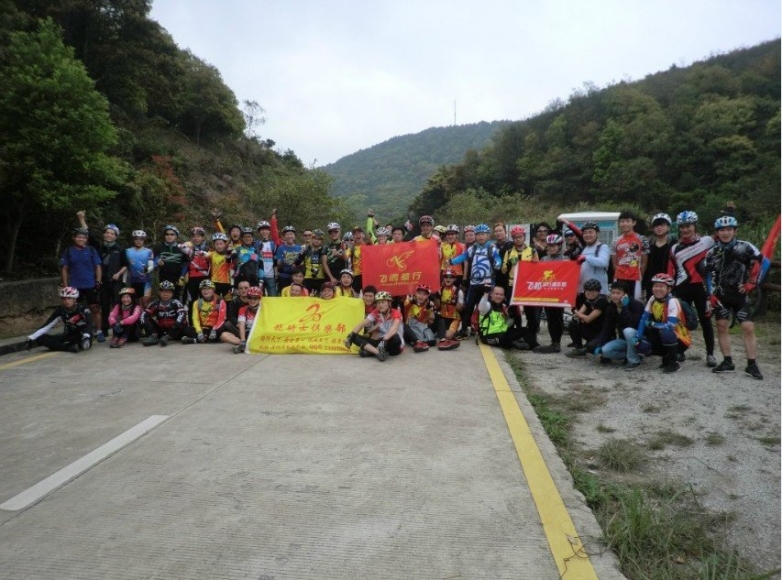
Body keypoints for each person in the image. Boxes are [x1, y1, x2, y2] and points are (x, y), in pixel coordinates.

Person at [705, 215, 770, 380]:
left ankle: (752, 364)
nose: (725, 233)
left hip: (740, 294)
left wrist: (752, 283)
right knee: (721, 326)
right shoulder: (712, 252)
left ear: (735, 231)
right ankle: (727, 361)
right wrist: (710, 294)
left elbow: (765, 262)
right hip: (721, 296)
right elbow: (707, 274)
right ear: (717, 232)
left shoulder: (746, 247)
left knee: (748, 327)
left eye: (729, 230)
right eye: (722, 230)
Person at [668, 211, 717, 367]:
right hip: (682, 287)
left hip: (702, 287)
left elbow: (724, 240)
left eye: (688, 226)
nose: (685, 230)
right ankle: (680, 350)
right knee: (681, 321)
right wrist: (670, 288)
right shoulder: (675, 248)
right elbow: (671, 270)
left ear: (695, 226)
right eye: (682, 227)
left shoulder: (707, 241)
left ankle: (710, 354)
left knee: (706, 320)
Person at [77, 211, 128, 334]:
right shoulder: (99, 247)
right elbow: (88, 234)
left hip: (116, 282)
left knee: (116, 305)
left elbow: (126, 265)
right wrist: (81, 219)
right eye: (107, 233)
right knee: (104, 306)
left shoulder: (120, 249)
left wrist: (119, 274)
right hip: (103, 282)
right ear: (104, 234)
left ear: (116, 236)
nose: (109, 235)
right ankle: (104, 329)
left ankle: (117, 328)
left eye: (112, 234)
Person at [449, 224, 501, 340]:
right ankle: (464, 330)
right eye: (478, 234)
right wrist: (452, 262)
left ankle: (484, 330)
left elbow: (497, 257)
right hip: (474, 283)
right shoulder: (473, 248)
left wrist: (498, 263)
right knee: (468, 306)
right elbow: (463, 256)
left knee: (484, 307)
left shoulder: (491, 247)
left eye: (483, 234)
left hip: (487, 282)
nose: (480, 237)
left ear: (488, 235)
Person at [635, 274, 691, 374]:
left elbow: (670, 326)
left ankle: (674, 362)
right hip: (663, 334)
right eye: (655, 286)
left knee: (666, 332)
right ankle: (666, 357)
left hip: (680, 338)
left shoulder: (673, 301)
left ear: (669, 289)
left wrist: (652, 324)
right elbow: (643, 320)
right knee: (641, 345)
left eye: (661, 286)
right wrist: (638, 337)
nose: (657, 289)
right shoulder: (652, 299)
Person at [60, 228, 103, 341]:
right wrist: (65, 285)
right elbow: (64, 268)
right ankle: (77, 330)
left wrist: (98, 281)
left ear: (86, 239)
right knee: (75, 309)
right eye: (78, 237)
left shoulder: (91, 250)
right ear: (74, 238)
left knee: (94, 308)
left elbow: (98, 266)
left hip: (90, 284)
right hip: (75, 286)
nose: (81, 239)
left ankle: (98, 331)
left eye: (83, 237)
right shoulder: (69, 251)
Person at [591, 281, 645, 369]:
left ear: (625, 294)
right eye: (613, 293)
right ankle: (634, 355)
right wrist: (599, 345)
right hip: (623, 339)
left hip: (638, 338)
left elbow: (633, 324)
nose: (615, 296)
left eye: (618, 293)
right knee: (605, 351)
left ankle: (634, 361)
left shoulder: (636, 305)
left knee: (628, 331)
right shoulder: (611, 308)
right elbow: (606, 328)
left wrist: (625, 308)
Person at [27, 287, 93, 353]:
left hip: (82, 335)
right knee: (40, 338)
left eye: (69, 298)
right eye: (64, 299)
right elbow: (47, 325)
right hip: (69, 335)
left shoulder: (83, 309)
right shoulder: (61, 310)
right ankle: (68, 348)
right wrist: (31, 337)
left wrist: (86, 336)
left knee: (83, 344)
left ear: (74, 299)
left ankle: (67, 346)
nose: (66, 301)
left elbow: (89, 324)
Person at [344, 291, 404, 361]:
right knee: (354, 337)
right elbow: (362, 323)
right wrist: (351, 335)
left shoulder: (396, 312)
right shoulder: (376, 312)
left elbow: (394, 328)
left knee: (395, 337)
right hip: (380, 342)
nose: (380, 305)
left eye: (383, 302)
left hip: (393, 344)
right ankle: (377, 352)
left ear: (389, 303)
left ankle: (371, 351)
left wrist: (384, 341)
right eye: (378, 303)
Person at [533, 234, 567, 354]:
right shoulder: (544, 259)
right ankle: (553, 341)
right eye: (550, 246)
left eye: (555, 246)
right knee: (549, 317)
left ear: (559, 246)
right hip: (546, 293)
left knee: (557, 318)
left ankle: (557, 342)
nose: (552, 248)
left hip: (559, 294)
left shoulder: (565, 259)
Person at [610, 211, 649, 300]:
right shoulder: (615, 241)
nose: (625, 224)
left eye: (628, 221)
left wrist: (639, 276)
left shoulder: (642, 239)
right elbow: (614, 263)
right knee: (618, 303)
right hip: (619, 277)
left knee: (635, 303)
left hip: (635, 277)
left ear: (634, 223)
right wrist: (621, 273)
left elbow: (644, 263)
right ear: (619, 223)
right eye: (622, 221)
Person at [565, 278, 609, 356]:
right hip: (592, 329)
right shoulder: (588, 300)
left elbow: (588, 319)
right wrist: (577, 313)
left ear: (598, 291)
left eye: (593, 291)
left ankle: (589, 347)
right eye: (588, 290)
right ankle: (578, 346)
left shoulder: (602, 301)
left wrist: (575, 310)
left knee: (591, 347)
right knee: (573, 323)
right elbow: (577, 316)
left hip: (602, 332)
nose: (590, 293)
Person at [476, 285, 526, 349]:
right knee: (505, 339)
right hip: (488, 337)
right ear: (491, 294)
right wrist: (486, 293)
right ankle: (513, 343)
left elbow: (507, 324)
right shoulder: (487, 306)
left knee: (524, 330)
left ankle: (535, 346)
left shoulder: (504, 307)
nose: (499, 296)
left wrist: (510, 317)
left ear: (504, 296)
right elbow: (481, 307)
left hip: (502, 333)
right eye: (496, 294)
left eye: (501, 294)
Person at [140, 280, 188, 346]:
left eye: (168, 291)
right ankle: (154, 336)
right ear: (159, 292)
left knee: (182, 321)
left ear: (172, 293)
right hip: (161, 329)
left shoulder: (176, 303)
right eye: (163, 291)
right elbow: (143, 315)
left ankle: (168, 337)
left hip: (174, 330)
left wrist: (174, 327)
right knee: (144, 318)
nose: (165, 294)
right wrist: (151, 330)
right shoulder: (155, 303)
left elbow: (182, 314)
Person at [182, 279, 228, 344]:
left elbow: (222, 318)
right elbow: (195, 318)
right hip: (203, 328)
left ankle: (195, 340)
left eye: (208, 289)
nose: (205, 291)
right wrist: (199, 332)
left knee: (223, 330)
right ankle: (207, 338)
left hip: (215, 328)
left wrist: (214, 329)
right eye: (203, 289)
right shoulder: (197, 303)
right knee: (187, 330)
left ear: (213, 290)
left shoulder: (220, 302)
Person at [643, 213, 676, 300]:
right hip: (652, 283)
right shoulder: (648, 245)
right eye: (656, 225)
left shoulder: (674, 245)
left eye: (662, 225)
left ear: (668, 227)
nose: (659, 227)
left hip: (669, 283)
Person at [153, 225, 189, 302]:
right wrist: (157, 263)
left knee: (176, 299)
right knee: (163, 298)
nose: (169, 236)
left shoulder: (181, 248)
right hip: (163, 277)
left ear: (176, 236)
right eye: (167, 234)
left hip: (177, 278)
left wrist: (182, 276)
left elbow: (185, 264)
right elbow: (153, 261)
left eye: (172, 234)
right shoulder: (159, 247)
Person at [573, 222, 610, 293]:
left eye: (590, 232)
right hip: (582, 290)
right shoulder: (584, 249)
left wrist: (586, 257)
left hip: (598, 291)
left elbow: (603, 262)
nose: (587, 235)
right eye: (585, 233)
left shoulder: (602, 247)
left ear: (597, 233)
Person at [433, 269, 463, 350]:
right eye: (446, 277)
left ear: (454, 279)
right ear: (443, 278)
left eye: (451, 277)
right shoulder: (440, 289)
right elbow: (438, 305)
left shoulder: (458, 291)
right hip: (443, 317)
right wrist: (436, 296)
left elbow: (461, 309)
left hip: (454, 318)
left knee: (448, 336)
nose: (448, 279)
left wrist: (455, 301)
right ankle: (442, 335)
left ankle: (450, 334)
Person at [182, 226, 211, 306]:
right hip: (191, 278)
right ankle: (192, 318)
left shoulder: (208, 248)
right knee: (192, 301)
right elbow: (184, 262)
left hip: (204, 277)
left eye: (198, 236)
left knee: (205, 300)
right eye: (194, 236)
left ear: (202, 237)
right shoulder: (187, 248)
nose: (196, 238)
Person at [403, 284, 437, 352]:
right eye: (419, 293)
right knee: (404, 323)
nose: (421, 296)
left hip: (422, 329)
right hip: (410, 330)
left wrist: (430, 308)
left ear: (427, 296)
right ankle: (419, 341)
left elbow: (432, 319)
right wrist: (411, 300)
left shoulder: (427, 305)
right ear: (415, 294)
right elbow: (406, 303)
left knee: (439, 318)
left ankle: (440, 340)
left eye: (424, 294)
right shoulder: (410, 302)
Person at [125, 230, 155, 308]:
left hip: (146, 280)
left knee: (145, 302)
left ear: (144, 240)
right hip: (132, 280)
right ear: (133, 239)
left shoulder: (149, 251)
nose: (139, 240)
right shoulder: (127, 251)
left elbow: (151, 264)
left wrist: (148, 269)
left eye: (141, 239)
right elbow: (125, 266)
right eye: (136, 238)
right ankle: (137, 319)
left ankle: (146, 318)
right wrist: (124, 281)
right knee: (135, 304)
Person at [233, 285, 262, 353]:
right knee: (224, 335)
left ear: (260, 299)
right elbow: (241, 324)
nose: (252, 300)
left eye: (255, 298)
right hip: (248, 333)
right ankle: (244, 344)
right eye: (249, 298)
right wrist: (243, 340)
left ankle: (245, 346)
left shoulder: (264, 309)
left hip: (260, 333)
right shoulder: (242, 309)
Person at [205, 232, 233, 299]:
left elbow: (229, 260)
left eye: (221, 244)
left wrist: (229, 253)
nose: (219, 246)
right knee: (215, 302)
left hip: (226, 282)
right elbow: (205, 255)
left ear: (225, 244)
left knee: (228, 302)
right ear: (214, 245)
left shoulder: (228, 254)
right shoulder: (212, 254)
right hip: (214, 282)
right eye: (217, 244)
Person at [275, 225, 302, 291]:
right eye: (287, 234)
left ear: (294, 236)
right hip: (284, 276)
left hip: (296, 277)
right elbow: (278, 264)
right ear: (284, 237)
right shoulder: (281, 248)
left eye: (291, 234)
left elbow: (302, 263)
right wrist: (281, 261)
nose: (289, 236)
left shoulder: (299, 248)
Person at [299, 228, 327, 295]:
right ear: (311, 239)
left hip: (321, 279)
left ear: (322, 241)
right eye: (315, 238)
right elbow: (297, 263)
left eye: (319, 239)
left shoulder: (325, 250)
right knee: (306, 299)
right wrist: (300, 254)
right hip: (307, 279)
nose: (317, 240)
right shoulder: (305, 249)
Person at [255, 220, 278, 296]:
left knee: (273, 297)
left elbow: (275, 261)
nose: (264, 232)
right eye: (262, 230)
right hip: (259, 275)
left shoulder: (272, 244)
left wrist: (276, 274)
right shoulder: (255, 244)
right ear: (259, 232)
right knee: (259, 297)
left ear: (269, 231)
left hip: (270, 275)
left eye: (266, 230)